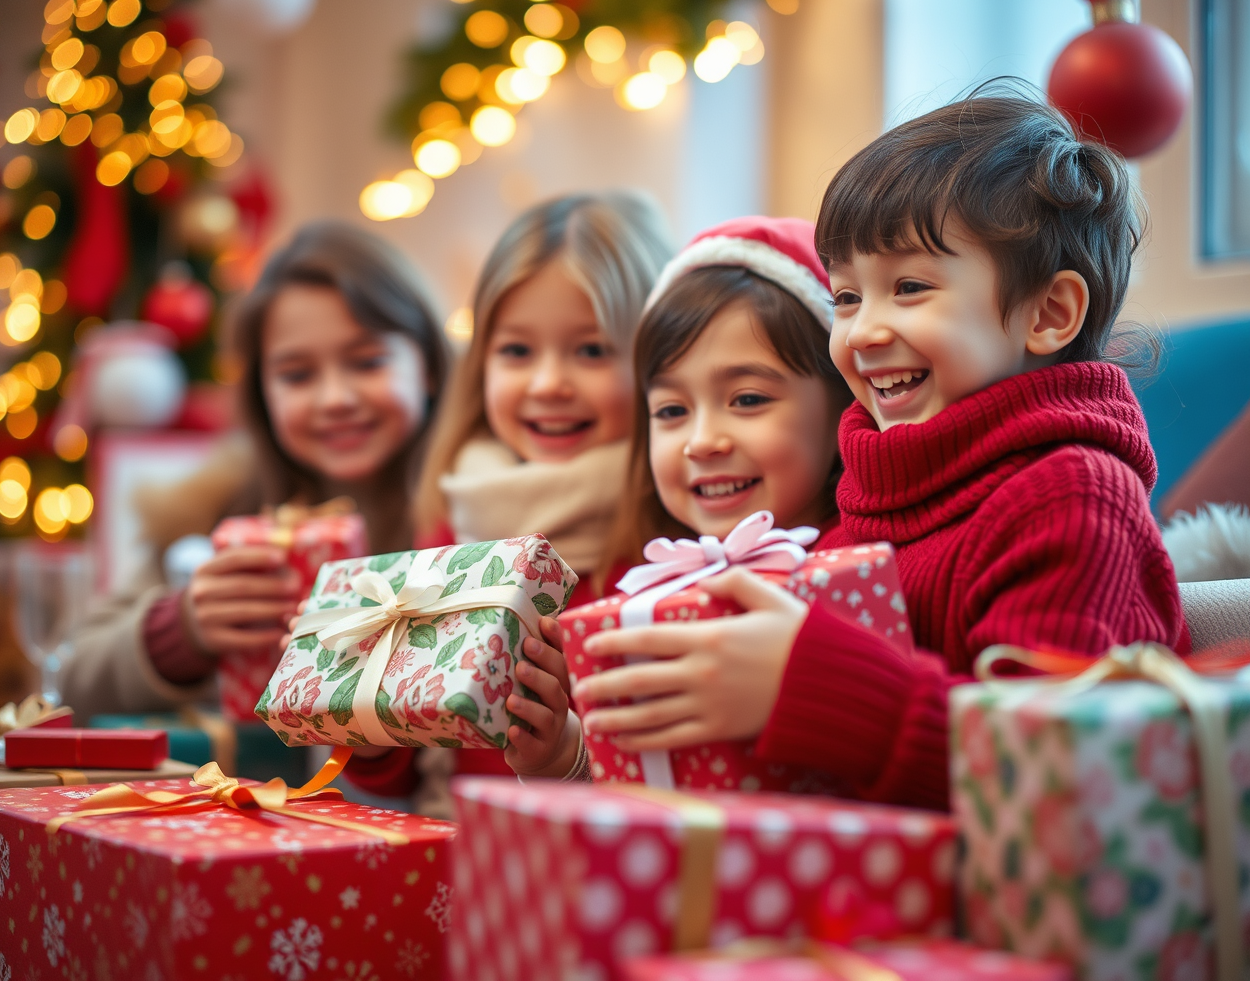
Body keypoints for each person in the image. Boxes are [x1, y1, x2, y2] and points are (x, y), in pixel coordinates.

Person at [565, 92, 1190, 810]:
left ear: (1049, 314)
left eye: (909, 287)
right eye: (848, 297)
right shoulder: (858, 509)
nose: (861, 333)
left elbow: (1067, 780)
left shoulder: (1073, 497)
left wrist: (818, 688)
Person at [341, 191, 673, 814]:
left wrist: (567, 759)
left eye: (592, 350)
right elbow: (411, 770)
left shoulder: (666, 554)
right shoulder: (455, 527)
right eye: (517, 351)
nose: (548, 383)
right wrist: (361, 710)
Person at [60, 222, 448, 721]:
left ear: (430, 366)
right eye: (297, 375)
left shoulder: (475, 515)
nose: (334, 399)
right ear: (262, 394)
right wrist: (182, 632)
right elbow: (74, 675)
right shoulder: (217, 513)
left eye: (367, 362)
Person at [518, 216, 854, 780]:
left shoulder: (860, 567)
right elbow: (638, 795)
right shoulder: (637, 587)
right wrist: (566, 758)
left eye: (747, 400)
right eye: (672, 411)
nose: (702, 442)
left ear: (843, 402)